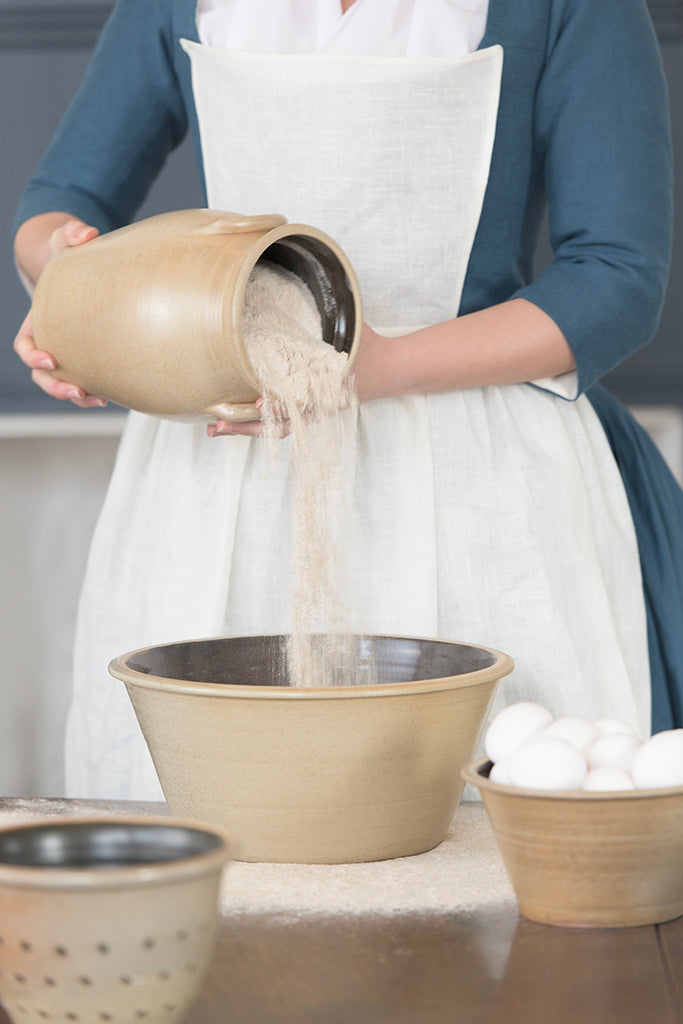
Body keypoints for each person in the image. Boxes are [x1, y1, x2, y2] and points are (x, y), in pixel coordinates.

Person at [12, 0, 682, 801]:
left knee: (495, 818)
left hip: (476, 460)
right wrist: (72, 291)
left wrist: (375, 366)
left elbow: (615, 277)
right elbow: (62, 201)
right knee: (210, 818)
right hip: (224, 460)